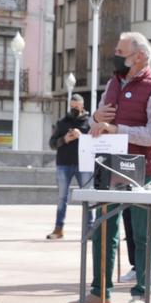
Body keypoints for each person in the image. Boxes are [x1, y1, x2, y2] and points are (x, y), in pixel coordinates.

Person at [67, 32, 151, 303]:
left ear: (139, 56)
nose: (114, 54)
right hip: (109, 164)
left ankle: (141, 293)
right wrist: (95, 119)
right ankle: (99, 293)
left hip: (143, 170)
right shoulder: (113, 83)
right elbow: (97, 122)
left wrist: (118, 130)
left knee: (141, 233)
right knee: (103, 229)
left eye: (120, 50)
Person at [49, 95, 90, 239]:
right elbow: (52, 143)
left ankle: (90, 229)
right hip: (64, 164)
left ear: (82, 106)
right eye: (72, 107)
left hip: (84, 164)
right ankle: (58, 229)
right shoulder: (62, 122)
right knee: (62, 197)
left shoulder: (89, 122)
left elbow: (96, 142)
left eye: (77, 107)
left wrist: (82, 136)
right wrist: (64, 139)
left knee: (89, 196)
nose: (74, 109)